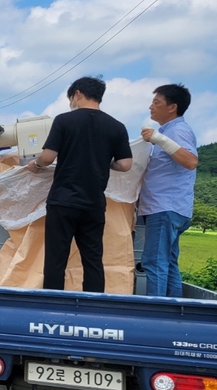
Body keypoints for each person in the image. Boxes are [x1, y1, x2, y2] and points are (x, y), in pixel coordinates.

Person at [26, 76, 133, 292]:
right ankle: (93, 308)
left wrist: (35, 165)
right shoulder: (117, 127)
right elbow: (125, 165)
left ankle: (53, 306)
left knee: (56, 259)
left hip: (63, 201)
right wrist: (102, 162)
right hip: (93, 203)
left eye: (70, 99)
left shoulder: (64, 121)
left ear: (77, 94)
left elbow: (47, 157)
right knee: (93, 259)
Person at [138, 84, 198, 296]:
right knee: (168, 263)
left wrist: (158, 139)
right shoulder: (170, 131)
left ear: (172, 107)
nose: (151, 107)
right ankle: (174, 313)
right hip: (173, 208)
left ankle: (156, 317)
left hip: (164, 208)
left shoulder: (177, 130)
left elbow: (191, 161)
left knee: (154, 263)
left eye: (156, 102)